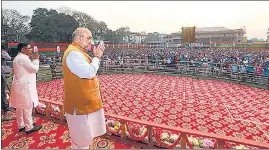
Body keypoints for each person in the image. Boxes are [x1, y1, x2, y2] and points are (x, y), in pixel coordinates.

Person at [62, 28, 106, 149]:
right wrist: (97, 57)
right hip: (79, 105)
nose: (90, 42)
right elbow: (89, 72)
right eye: (88, 39)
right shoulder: (73, 53)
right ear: (79, 38)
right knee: (82, 141)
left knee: (82, 139)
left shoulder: (78, 52)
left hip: (84, 102)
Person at [9, 43, 42, 134]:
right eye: (29, 48)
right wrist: (36, 60)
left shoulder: (17, 58)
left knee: (20, 106)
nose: (31, 49)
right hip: (25, 86)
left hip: (19, 84)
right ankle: (29, 127)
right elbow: (34, 69)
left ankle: (21, 125)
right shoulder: (23, 58)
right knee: (27, 106)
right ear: (23, 49)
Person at [1, 50, 15, 119]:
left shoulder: (2, 53)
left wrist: (2, 53)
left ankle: (5, 106)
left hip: (2, 74)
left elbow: (9, 58)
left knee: (3, 91)